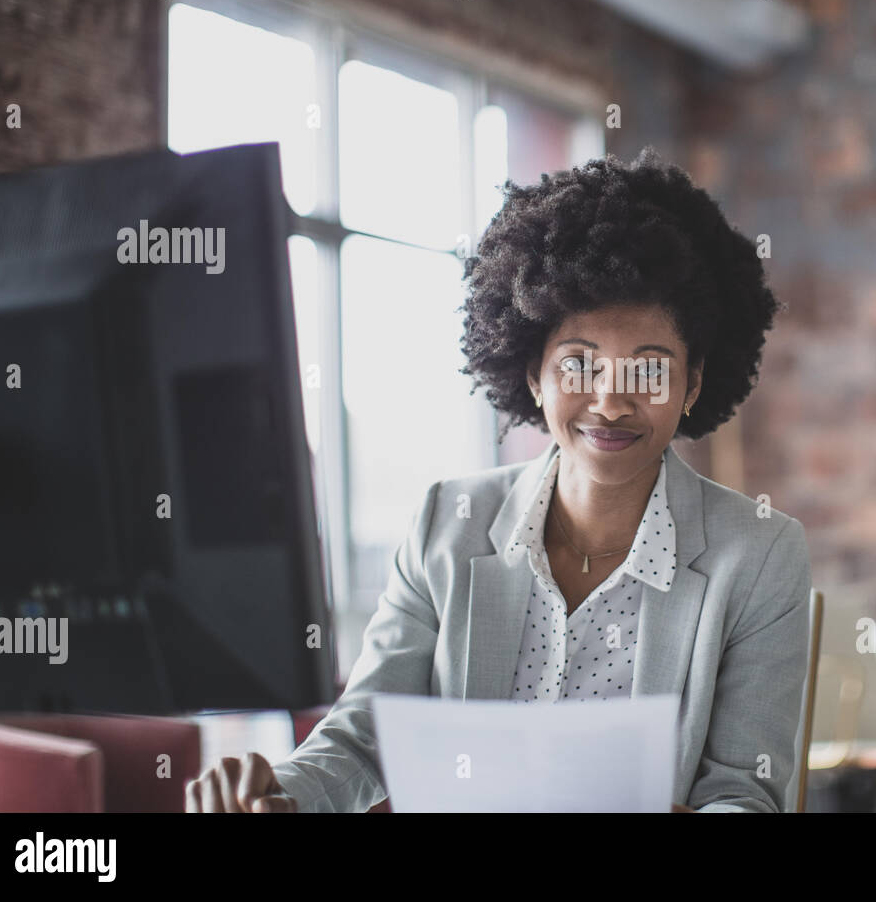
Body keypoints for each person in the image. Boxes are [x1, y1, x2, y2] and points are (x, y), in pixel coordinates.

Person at [185, 146, 812, 813]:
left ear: (693, 384)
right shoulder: (445, 521)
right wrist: (281, 796)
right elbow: (367, 736)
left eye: (650, 368)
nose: (610, 401)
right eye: (578, 365)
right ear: (532, 375)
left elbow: (743, 790)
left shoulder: (759, 552)